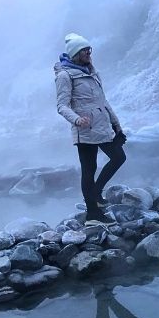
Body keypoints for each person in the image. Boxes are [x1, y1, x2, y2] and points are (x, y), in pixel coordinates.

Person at [54, 33, 126, 225]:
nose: (89, 53)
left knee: (119, 157)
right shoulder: (65, 75)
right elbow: (62, 106)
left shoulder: (92, 71)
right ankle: (92, 212)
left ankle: (95, 193)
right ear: (76, 53)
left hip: (102, 125)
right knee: (89, 169)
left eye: (89, 49)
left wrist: (116, 124)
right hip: (84, 130)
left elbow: (103, 101)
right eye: (85, 50)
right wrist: (77, 120)